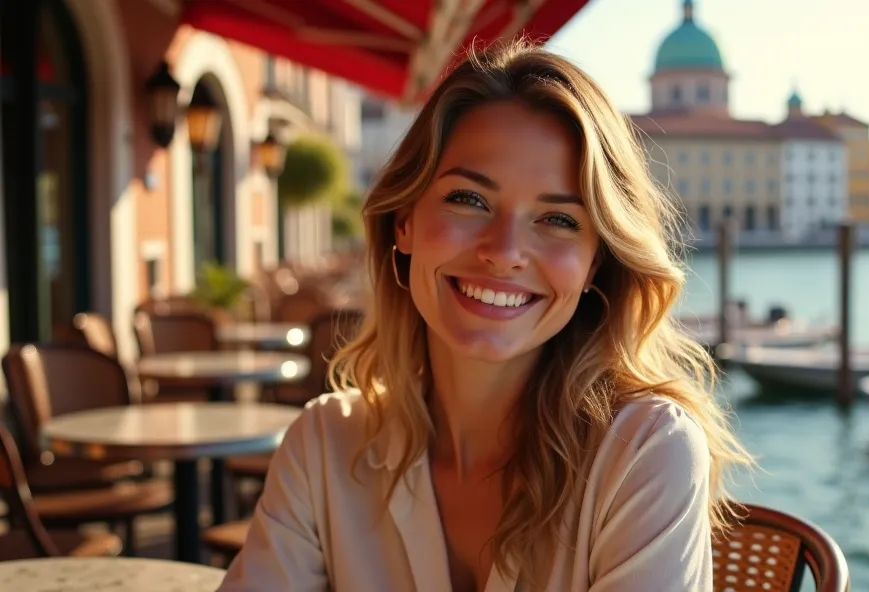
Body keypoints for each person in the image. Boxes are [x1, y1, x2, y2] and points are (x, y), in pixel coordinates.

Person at [218, 39, 751, 591]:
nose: (504, 250)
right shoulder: (323, 445)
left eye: (559, 220)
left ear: (595, 265)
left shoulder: (645, 452)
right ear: (404, 221)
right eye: (469, 200)